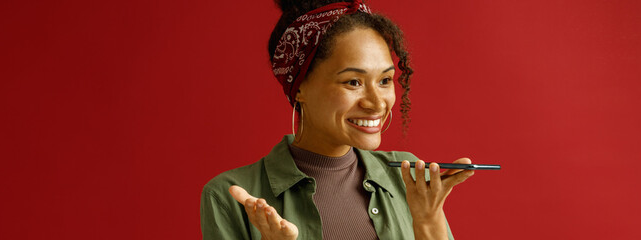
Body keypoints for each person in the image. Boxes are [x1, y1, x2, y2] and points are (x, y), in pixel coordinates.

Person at [200, 0, 474, 239]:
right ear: (301, 87)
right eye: (353, 82)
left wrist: (429, 221)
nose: (377, 103)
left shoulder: (408, 177)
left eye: (385, 80)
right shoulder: (231, 197)